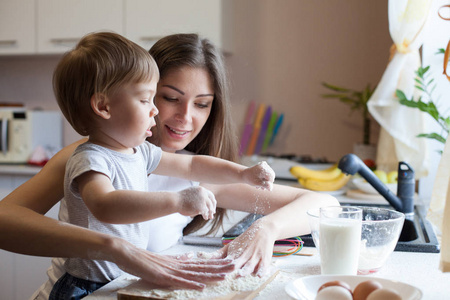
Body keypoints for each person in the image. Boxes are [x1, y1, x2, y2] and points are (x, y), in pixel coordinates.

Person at [0, 33, 338, 299]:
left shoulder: (187, 169)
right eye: (168, 98)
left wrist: (267, 229)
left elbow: (327, 205)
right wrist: (113, 248)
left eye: (202, 104)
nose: (185, 118)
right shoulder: (92, 155)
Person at [48, 31, 276, 299]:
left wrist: (243, 173)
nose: (153, 110)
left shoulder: (140, 152)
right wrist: (177, 201)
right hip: (85, 286)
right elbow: (105, 206)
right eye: (147, 100)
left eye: (202, 104)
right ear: (103, 106)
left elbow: (192, 167)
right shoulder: (89, 158)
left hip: (120, 279)